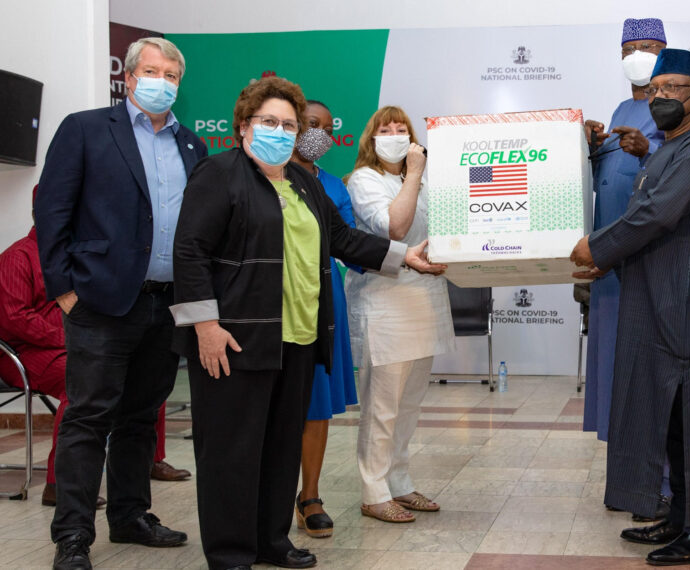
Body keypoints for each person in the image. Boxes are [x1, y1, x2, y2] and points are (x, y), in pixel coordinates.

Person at [170, 78, 444, 570]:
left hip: (297, 338)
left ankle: (271, 541)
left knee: (278, 449)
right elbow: (189, 252)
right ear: (243, 126)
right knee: (232, 453)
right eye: (269, 122)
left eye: (289, 125)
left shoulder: (303, 182)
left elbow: (343, 239)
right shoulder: (219, 174)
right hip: (236, 339)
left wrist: (407, 258)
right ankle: (231, 553)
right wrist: (205, 326)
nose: (280, 131)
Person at [35, 37, 205, 570]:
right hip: (100, 302)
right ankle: (73, 535)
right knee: (88, 419)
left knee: (140, 418)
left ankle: (131, 515)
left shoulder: (193, 145)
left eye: (172, 75)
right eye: (152, 71)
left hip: (165, 304)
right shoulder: (85, 129)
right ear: (128, 78)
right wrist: (64, 290)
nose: (162, 81)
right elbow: (52, 212)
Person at [570, 48, 690, 566]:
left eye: (673, 89)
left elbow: (658, 215)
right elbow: (644, 215)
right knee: (673, 421)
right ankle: (683, 515)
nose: (659, 97)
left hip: (687, 300)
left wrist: (599, 248)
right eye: (655, 89)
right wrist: (608, 261)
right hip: (652, 295)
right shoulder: (667, 148)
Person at [0, 189, 189, 511]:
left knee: (147, 375)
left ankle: (150, 461)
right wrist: (69, 338)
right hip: (26, 352)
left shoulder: (79, 257)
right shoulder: (19, 256)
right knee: (81, 380)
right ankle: (59, 484)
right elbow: (14, 319)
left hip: (80, 343)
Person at [345, 106, 456, 524]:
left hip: (424, 299)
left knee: (409, 404)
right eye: (385, 129)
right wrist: (412, 174)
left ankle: (400, 481)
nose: (394, 134)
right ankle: (373, 490)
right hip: (385, 303)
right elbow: (395, 226)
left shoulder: (424, 182)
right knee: (383, 404)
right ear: (371, 138)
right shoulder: (365, 179)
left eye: (401, 129)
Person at [580, 17, 671, 523]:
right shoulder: (621, 107)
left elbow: (684, 160)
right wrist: (594, 146)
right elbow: (607, 176)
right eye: (630, 48)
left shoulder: (674, 103)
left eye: (649, 47)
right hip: (610, 264)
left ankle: (659, 485)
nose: (638, 55)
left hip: (646, 260)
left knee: (647, 374)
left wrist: (647, 149)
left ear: (665, 51)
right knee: (616, 374)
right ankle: (629, 479)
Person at [288, 99, 358, 539]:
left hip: (325, 299)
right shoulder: (264, 176)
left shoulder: (334, 185)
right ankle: (270, 497)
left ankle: (309, 496)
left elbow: (351, 242)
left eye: (328, 129)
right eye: (311, 124)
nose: (319, 134)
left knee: (315, 404)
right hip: (276, 300)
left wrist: (402, 259)